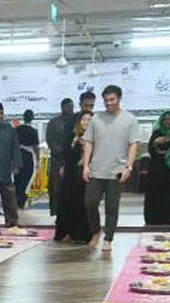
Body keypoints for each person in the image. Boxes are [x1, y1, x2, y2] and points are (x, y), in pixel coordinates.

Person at [82, 85, 141, 253]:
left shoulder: (129, 119)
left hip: (117, 171)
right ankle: (95, 232)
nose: (108, 103)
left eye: (112, 100)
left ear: (119, 99)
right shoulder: (96, 119)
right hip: (96, 170)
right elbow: (88, 142)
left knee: (112, 207)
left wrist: (128, 167)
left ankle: (108, 238)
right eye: (106, 100)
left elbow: (133, 144)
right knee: (90, 203)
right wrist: (86, 166)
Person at [53, 111, 94, 244]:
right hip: (71, 173)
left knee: (82, 203)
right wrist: (74, 144)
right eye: (83, 120)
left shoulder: (96, 137)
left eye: (89, 120)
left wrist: (86, 151)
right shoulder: (72, 135)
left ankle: (81, 234)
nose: (86, 123)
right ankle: (65, 232)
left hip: (86, 174)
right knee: (66, 201)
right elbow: (66, 153)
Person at [144, 111, 170, 226]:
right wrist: (156, 143)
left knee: (169, 195)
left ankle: (168, 218)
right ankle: (153, 218)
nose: (167, 122)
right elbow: (150, 150)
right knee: (155, 193)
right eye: (165, 119)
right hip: (156, 168)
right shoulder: (157, 132)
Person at [45, 99, 75, 216]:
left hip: (73, 159)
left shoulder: (77, 121)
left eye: (72, 106)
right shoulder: (54, 122)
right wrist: (61, 152)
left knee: (72, 188)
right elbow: (50, 140)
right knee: (56, 187)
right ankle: (56, 212)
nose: (70, 108)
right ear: (62, 107)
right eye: (68, 106)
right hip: (57, 159)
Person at [14, 110, 39, 209]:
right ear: (32, 118)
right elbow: (36, 147)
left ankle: (15, 200)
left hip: (17, 155)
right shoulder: (33, 131)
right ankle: (21, 202)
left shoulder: (16, 129)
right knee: (26, 179)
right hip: (28, 156)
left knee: (17, 179)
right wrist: (37, 159)